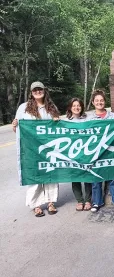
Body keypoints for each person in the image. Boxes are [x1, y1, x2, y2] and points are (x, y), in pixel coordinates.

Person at [12, 81, 60, 217]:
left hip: (48, 148)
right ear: (31, 93)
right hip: (31, 149)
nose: (38, 91)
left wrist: (56, 121)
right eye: (35, 90)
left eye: (40, 89)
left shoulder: (51, 107)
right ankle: (36, 204)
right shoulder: (23, 108)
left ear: (44, 90)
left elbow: (58, 128)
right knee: (34, 175)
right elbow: (17, 129)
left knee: (50, 174)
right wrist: (15, 124)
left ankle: (51, 202)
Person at [87, 89, 114, 214]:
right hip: (95, 152)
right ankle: (97, 202)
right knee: (96, 178)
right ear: (93, 102)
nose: (99, 102)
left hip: (110, 151)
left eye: (101, 100)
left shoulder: (113, 116)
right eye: (97, 100)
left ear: (104, 102)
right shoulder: (89, 118)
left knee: (113, 177)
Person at [64, 98, 92, 212]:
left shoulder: (87, 119)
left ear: (82, 107)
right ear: (70, 107)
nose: (76, 107)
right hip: (72, 153)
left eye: (78, 105)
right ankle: (80, 201)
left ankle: (88, 200)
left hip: (86, 151)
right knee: (75, 177)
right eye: (74, 105)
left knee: (87, 175)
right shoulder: (65, 121)